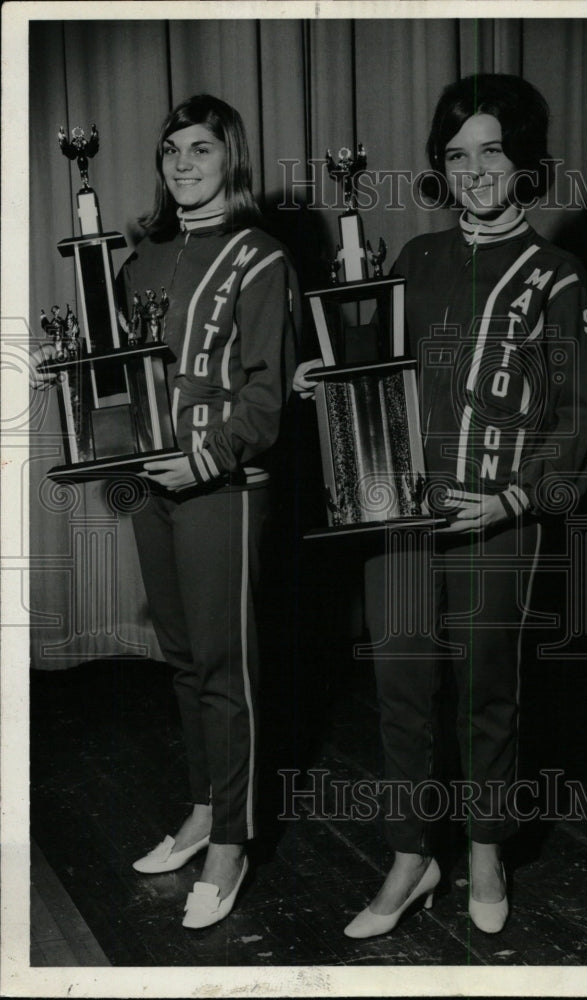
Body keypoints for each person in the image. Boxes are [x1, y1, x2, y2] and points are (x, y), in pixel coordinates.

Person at [294, 73, 587, 937]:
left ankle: (483, 848)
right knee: (398, 686)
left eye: (491, 150)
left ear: (524, 161)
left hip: (495, 517)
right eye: (456, 155)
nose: (472, 170)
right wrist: (327, 374)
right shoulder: (418, 259)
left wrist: (511, 500)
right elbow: (376, 369)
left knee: (485, 693)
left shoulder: (559, 275)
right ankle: (407, 854)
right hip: (401, 513)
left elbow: (577, 417)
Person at [111, 94, 299, 929]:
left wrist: (208, 456)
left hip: (222, 483)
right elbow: (119, 372)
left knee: (227, 668)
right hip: (153, 481)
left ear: (232, 159)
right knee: (182, 659)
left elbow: (265, 402)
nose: (182, 163)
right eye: (170, 150)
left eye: (201, 149)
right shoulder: (139, 257)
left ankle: (234, 838)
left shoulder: (260, 257)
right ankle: (200, 809)